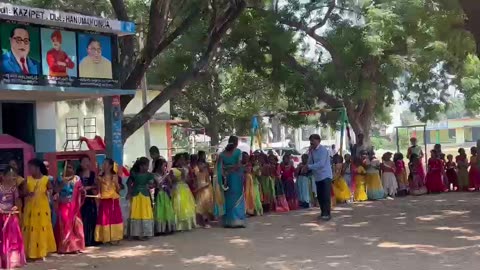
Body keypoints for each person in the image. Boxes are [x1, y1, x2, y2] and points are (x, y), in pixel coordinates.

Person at [22, 159, 56, 260]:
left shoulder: (46, 179)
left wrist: (50, 192)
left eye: (30, 167)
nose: (29, 169)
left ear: (37, 168)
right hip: (31, 209)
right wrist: (28, 194)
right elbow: (22, 193)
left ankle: (42, 251)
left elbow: (52, 190)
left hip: (42, 208)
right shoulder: (27, 179)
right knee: (30, 229)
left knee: (42, 228)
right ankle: (30, 253)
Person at [55, 161, 85, 254]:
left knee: (76, 225)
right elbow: (56, 190)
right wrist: (62, 184)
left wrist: (81, 191)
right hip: (64, 205)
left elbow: (81, 190)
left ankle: (76, 246)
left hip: (74, 206)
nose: (69, 169)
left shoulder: (77, 178)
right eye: (67, 167)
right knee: (65, 224)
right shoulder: (60, 178)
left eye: (71, 167)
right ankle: (65, 247)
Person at [217, 136, 246, 227]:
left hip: (227, 178)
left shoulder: (222, 154)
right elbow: (238, 165)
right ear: (236, 143)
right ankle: (238, 220)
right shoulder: (238, 152)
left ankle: (228, 221)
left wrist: (227, 170)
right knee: (238, 198)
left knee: (228, 198)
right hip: (236, 177)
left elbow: (220, 168)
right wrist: (233, 168)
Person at [0, 166, 26, 269]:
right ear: (3, 176)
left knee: (13, 239)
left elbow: (17, 202)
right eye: (10, 175)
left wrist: (15, 207)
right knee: (2, 239)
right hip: (2, 217)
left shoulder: (14, 189)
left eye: (13, 176)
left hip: (11, 217)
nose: (12, 178)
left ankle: (13, 261)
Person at [304, 134, 333, 221]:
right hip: (317, 177)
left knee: (325, 195)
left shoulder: (323, 150)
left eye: (313, 140)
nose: (311, 142)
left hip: (325, 176)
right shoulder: (312, 151)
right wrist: (309, 154)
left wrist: (309, 167)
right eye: (310, 141)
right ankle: (323, 212)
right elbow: (309, 162)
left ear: (318, 140)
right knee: (320, 196)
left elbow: (321, 164)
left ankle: (327, 214)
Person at [95, 158, 123, 244]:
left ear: (110, 166)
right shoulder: (99, 177)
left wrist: (116, 183)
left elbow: (118, 190)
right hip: (104, 199)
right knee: (104, 218)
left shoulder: (114, 176)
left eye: (105, 163)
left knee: (114, 217)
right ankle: (105, 237)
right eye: (103, 163)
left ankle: (115, 237)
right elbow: (99, 189)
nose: (103, 165)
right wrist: (98, 195)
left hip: (113, 200)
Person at [127, 157, 154, 240]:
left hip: (145, 196)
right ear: (141, 166)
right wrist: (129, 192)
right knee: (136, 213)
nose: (147, 168)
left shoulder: (149, 175)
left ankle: (145, 233)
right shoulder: (134, 174)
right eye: (146, 166)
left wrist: (150, 185)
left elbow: (152, 184)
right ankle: (136, 233)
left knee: (145, 213)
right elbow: (129, 182)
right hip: (136, 196)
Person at [171, 154, 196, 231]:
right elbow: (172, 181)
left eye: (183, 160)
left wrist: (184, 174)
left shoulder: (186, 169)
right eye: (180, 159)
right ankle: (178, 225)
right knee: (178, 205)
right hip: (177, 188)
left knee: (187, 205)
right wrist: (181, 174)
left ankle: (187, 224)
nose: (182, 161)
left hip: (185, 188)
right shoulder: (173, 170)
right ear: (176, 160)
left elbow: (188, 180)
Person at [77, 155, 97, 247]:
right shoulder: (77, 174)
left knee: (91, 218)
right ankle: (82, 240)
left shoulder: (92, 174)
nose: (86, 163)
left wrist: (89, 187)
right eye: (84, 161)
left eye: (87, 161)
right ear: (80, 163)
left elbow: (96, 185)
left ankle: (90, 239)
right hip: (80, 199)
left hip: (90, 198)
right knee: (82, 219)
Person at [152, 159, 176, 234]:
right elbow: (158, 184)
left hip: (166, 194)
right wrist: (165, 175)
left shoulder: (166, 174)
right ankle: (160, 229)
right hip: (160, 194)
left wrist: (169, 178)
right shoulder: (154, 175)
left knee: (168, 210)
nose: (165, 167)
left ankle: (168, 228)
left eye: (166, 166)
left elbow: (171, 185)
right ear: (159, 166)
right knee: (160, 211)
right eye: (164, 166)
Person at [195, 151, 214, 226]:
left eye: (202, 164)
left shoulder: (206, 172)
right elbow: (196, 182)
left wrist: (203, 186)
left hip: (206, 191)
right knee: (199, 207)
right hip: (199, 192)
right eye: (199, 164)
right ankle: (200, 221)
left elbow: (208, 182)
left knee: (206, 206)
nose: (200, 166)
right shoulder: (196, 173)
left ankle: (206, 221)